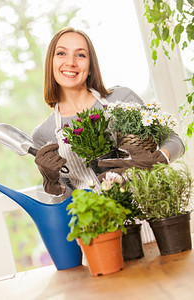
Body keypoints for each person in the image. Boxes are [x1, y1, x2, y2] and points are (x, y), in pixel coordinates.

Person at [32, 27, 185, 202]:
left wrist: (156, 160)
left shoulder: (121, 98)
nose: (71, 62)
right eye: (61, 53)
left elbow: (175, 141)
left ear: (90, 67)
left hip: (146, 208)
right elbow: (67, 201)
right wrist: (51, 183)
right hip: (98, 223)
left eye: (80, 55)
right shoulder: (44, 133)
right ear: (50, 64)